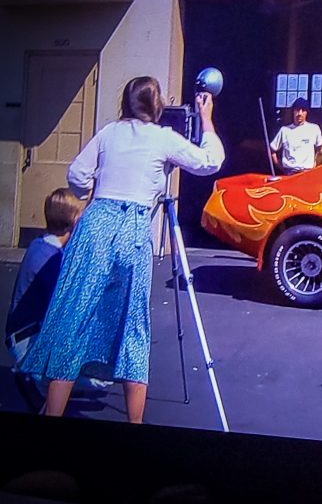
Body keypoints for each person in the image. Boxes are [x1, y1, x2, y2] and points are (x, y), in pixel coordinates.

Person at [21, 76, 225, 423]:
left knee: (75, 316)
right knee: (133, 321)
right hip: (132, 227)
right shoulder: (164, 138)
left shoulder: (109, 132)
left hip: (97, 223)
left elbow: (77, 175)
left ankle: (52, 415)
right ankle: (135, 425)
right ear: (157, 105)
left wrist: (88, 189)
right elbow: (210, 161)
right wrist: (207, 118)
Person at [5, 189, 84, 410]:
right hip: (27, 338)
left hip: (19, 333)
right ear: (75, 221)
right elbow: (58, 309)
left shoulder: (39, 245)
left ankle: (38, 375)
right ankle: (35, 376)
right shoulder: (51, 261)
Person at [270, 97, 322, 174]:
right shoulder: (284, 130)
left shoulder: (314, 128)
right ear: (293, 112)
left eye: (303, 110)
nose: (299, 113)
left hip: (308, 172)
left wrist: (315, 162)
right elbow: (272, 149)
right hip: (290, 172)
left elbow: (320, 147)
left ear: (306, 112)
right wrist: (280, 165)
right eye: (297, 110)